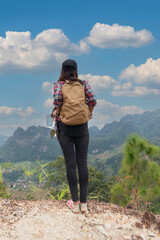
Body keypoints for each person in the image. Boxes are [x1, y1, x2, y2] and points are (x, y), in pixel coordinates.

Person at [52, 59, 97, 213]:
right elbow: (92, 100)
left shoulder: (59, 85)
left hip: (65, 128)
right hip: (82, 128)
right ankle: (84, 204)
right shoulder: (83, 84)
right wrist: (88, 114)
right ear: (76, 70)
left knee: (70, 164)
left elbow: (57, 100)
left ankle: (75, 203)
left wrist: (58, 113)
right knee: (82, 163)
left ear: (62, 71)